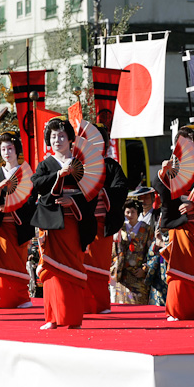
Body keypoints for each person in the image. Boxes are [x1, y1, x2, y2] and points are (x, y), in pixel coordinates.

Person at [31, 117, 98, 329]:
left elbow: (92, 193)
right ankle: (52, 317)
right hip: (51, 223)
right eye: (53, 137)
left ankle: (72, 318)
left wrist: (74, 201)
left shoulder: (82, 164)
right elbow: (36, 185)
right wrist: (57, 175)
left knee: (72, 269)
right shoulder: (45, 165)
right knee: (51, 269)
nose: (57, 140)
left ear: (70, 139)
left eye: (61, 136)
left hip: (74, 223)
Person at [153, 126, 194, 320]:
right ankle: (175, 310)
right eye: (180, 144)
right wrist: (164, 173)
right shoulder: (176, 169)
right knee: (177, 271)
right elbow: (162, 194)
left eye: (188, 143)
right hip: (180, 227)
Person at [0, 132, 36, 309]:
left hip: (18, 225)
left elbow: (30, 198)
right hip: (0, 227)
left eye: (10, 148)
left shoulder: (25, 173)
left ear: (17, 151)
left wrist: (12, 207)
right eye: (3, 149)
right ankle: (0, 299)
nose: (7, 152)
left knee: (18, 262)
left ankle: (22, 298)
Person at [83, 124, 128, 314]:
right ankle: (83, 304)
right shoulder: (78, 165)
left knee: (98, 266)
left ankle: (100, 304)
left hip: (101, 224)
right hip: (80, 223)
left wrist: (103, 193)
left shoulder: (110, 165)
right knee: (81, 264)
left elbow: (121, 187)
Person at [111, 200, 153, 304]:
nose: (130, 215)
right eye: (127, 212)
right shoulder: (120, 229)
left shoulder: (146, 229)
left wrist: (145, 268)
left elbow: (151, 251)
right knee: (122, 304)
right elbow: (113, 251)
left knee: (139, 303)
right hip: (122, 274)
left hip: (138, 273)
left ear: (138, 213)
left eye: (133, 212)